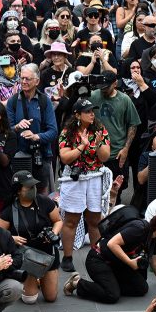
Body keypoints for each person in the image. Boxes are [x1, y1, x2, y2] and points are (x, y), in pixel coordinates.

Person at [64, 209, 156, 304]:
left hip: (116, 262)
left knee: (142, 288)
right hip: (98, 259)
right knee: (112, 296)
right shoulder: (140, 228)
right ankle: (77, 283)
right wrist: (130, 262)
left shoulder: (155, 236)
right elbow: (112, 243)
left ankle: (109, 285)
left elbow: (154, 257)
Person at [57, 98, 111, 273]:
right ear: (77, 115)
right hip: (74, 179)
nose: (91, 114)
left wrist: (96, 144)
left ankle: (98, 256)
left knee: (94, 220)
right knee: (71, 220)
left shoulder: (100, 130)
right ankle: (67, 257)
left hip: (95, 177)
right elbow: (65, 157)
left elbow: (104, 157)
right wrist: (82, 145)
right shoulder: (68, 132)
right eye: (87, 111)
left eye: (92, 111)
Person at [0, 170, 63, 305]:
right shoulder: (9, 209)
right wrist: (12, 238)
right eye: (29, 187)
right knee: (29, 300)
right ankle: (32, 279)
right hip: (26, 257)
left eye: (34, 186)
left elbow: (58, 221)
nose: (33, 189)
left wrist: (54, 233)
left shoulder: (44, 201)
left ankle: (44, 279)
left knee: (51, 297)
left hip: (47, 254)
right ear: (18, 191)